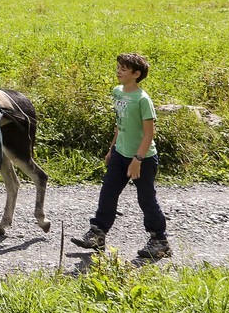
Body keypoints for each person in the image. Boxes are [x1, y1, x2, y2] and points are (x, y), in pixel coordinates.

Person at [71, 52, 170, 260]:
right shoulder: (117, 92)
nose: (118, 71)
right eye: (118, 67)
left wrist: (138, 160)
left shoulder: (143, 99)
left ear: (136, 74)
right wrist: (111, 148)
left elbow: (149, 133)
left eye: (123, 69)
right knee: (108, 192)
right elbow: (120, 124)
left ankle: (160, 241)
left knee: (146, 198)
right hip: (120, 153)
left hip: (143, 158)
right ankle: (98, 234)